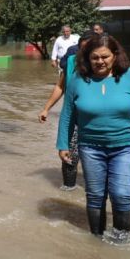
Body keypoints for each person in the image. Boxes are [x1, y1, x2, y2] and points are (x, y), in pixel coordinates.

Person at [56, 34, 130, 236]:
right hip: (90, 147)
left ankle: (121, 240)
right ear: (87, 57)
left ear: (115, 56)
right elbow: (67, 113)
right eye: (95, 57)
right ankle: (97, 240)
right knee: (95, 196)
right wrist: (63, 144)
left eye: (105, 57)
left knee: (121, 194)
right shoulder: (78, 79)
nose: (100, 62)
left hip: (126, 146)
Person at [38, 31, 96, 190]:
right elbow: (60, 86)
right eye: (83, 50)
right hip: (74, 118)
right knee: (69, 157)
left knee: (95, 163)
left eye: (91, 49)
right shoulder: (72, 62)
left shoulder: (103, 65)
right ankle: (68, 189)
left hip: (96, 121)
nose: (87, 54)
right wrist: (46, 108)